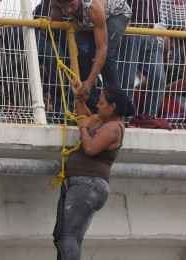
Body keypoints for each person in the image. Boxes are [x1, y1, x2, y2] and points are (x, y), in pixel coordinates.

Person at [53, 80, 133, 259]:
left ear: (113, 107)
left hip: (89, 184)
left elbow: (90, 147)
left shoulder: (113, 127)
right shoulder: (103, 119)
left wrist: (82, 127)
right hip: (84, 184)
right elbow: (85, 117)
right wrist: (79, 98)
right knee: (68, 236)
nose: (97, 104)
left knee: (67, 236)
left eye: (102, 102)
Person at [49, 0, 132, 112]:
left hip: (115, 13)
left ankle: (118, 108)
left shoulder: (93, 6)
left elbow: (102, 49)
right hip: (86, 20)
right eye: (64, 7)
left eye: (71, 5)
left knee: (107, 57)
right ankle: (93, 107)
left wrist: (89, 82)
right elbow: (57, 20)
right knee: (81, 55)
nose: (68, 10)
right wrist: (51, 22)